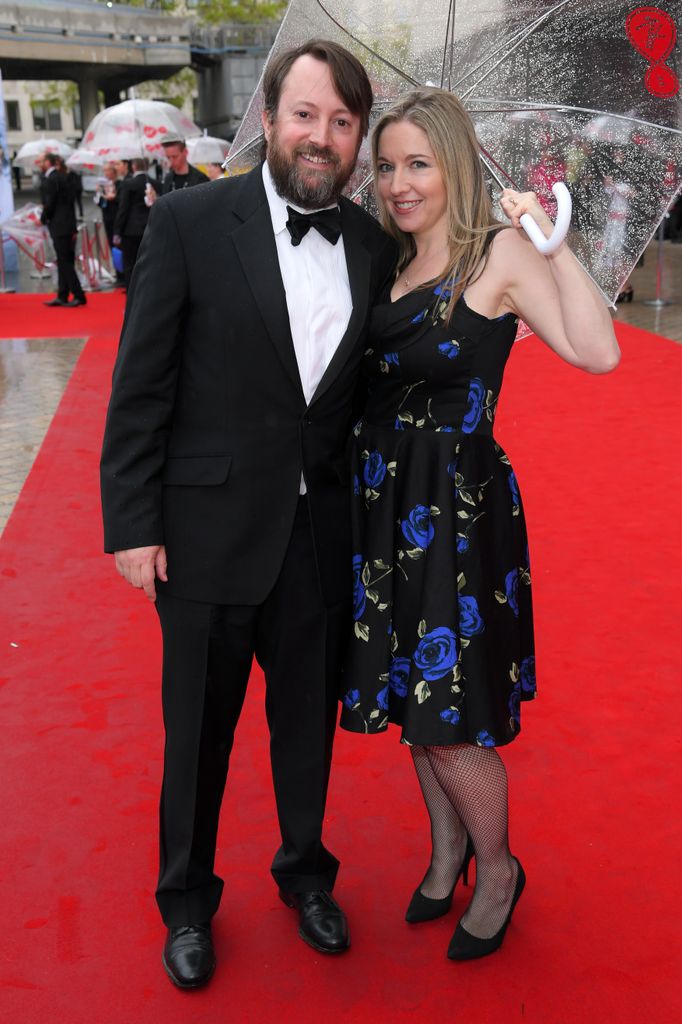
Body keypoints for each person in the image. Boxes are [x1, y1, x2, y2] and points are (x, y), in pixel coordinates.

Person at [100, 39, 395, 988]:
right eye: (306, 115)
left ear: (357, 142)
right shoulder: (190, 222)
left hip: (320, 541)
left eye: (342, 123)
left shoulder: (373, 246)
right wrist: (133, 523)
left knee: (304, 725)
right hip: (204, 537)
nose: (322, 137)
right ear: (268, 119)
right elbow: (140, 386)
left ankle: (306, 875)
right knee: (198, 735)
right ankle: (186, 901)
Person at [339, 88, 620, 961]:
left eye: (418, 163)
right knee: (407, 697)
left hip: (458, 509)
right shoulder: (384, 258)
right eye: (385, 166)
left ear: (455, 165)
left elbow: (598, 352)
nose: (398, 183)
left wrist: (555, 246)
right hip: (383, 502)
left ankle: (496, 869)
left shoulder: (494, 255)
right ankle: (448, 849)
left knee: (449, 718)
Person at [39, 151, 87, 307]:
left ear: (48, 162)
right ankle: (63, 294)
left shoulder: (52, 179)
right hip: (67, 224)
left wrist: (43, 217)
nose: (39, 163)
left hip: (60, 226)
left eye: (42, 160)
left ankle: (78, 294)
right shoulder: (62, 178)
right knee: (63, 260)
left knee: (65, 261)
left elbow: (50, 203)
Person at [112, 157, 152, 290]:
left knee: (130, 266)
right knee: (148, 264)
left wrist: (117, 231)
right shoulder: (154, 182)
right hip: (149, 229)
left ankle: (132, 297)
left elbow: (123, 209)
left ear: (134, 166)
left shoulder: (128, 184)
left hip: (130, 230)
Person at [145, 136, 209, 206]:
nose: (171, 161)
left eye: (175, 156)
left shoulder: (200, 179)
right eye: (168, 157)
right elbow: (165, 205)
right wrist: (156, 201)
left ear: (185, 152)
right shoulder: (168, 179)